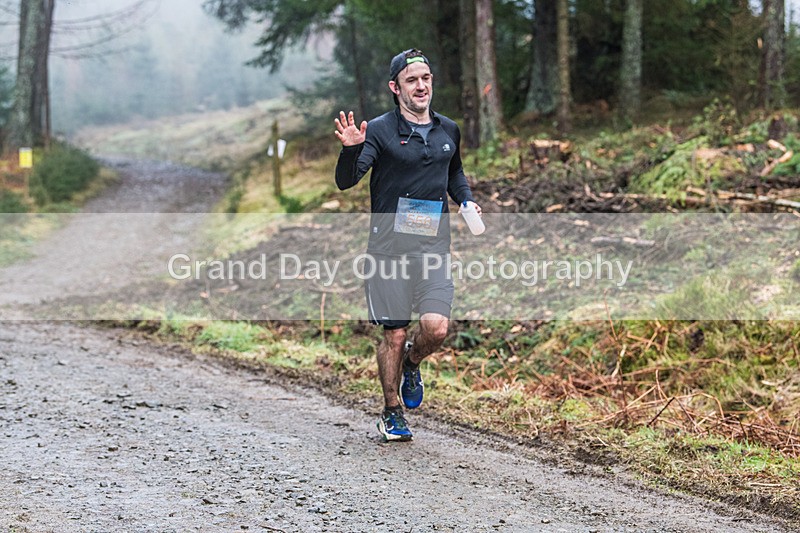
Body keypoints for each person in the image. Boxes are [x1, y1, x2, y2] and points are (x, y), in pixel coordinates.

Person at [334, 48, 482, 442]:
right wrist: (351, 149)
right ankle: (391, 412)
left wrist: (465, 198)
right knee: (394, 336)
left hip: (433, 248)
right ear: (395, 87)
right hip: (388, 253)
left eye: (426, 78)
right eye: (411, 80)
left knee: (435, 329)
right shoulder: (380, 130)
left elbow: (455, 171)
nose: (421, 86)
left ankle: (412, 364)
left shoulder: (448, 129)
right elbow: (347, 181)